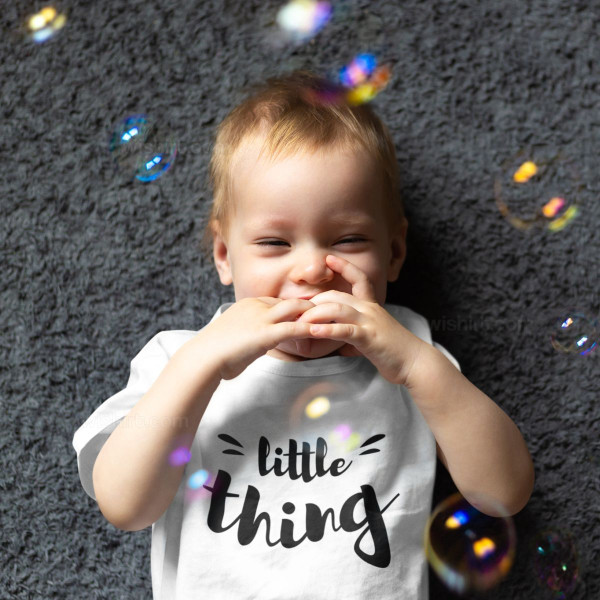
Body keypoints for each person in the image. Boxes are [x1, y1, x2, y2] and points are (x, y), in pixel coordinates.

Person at [73, 70, 534, 600]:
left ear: (394, 252)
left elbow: (505, 493)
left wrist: (415, 365)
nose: (314, 269)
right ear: (224, 255)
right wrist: (200, 368)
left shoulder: (411, 353)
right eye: (274, 242)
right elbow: (125, 506)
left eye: (349, 238)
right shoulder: (178, 357)